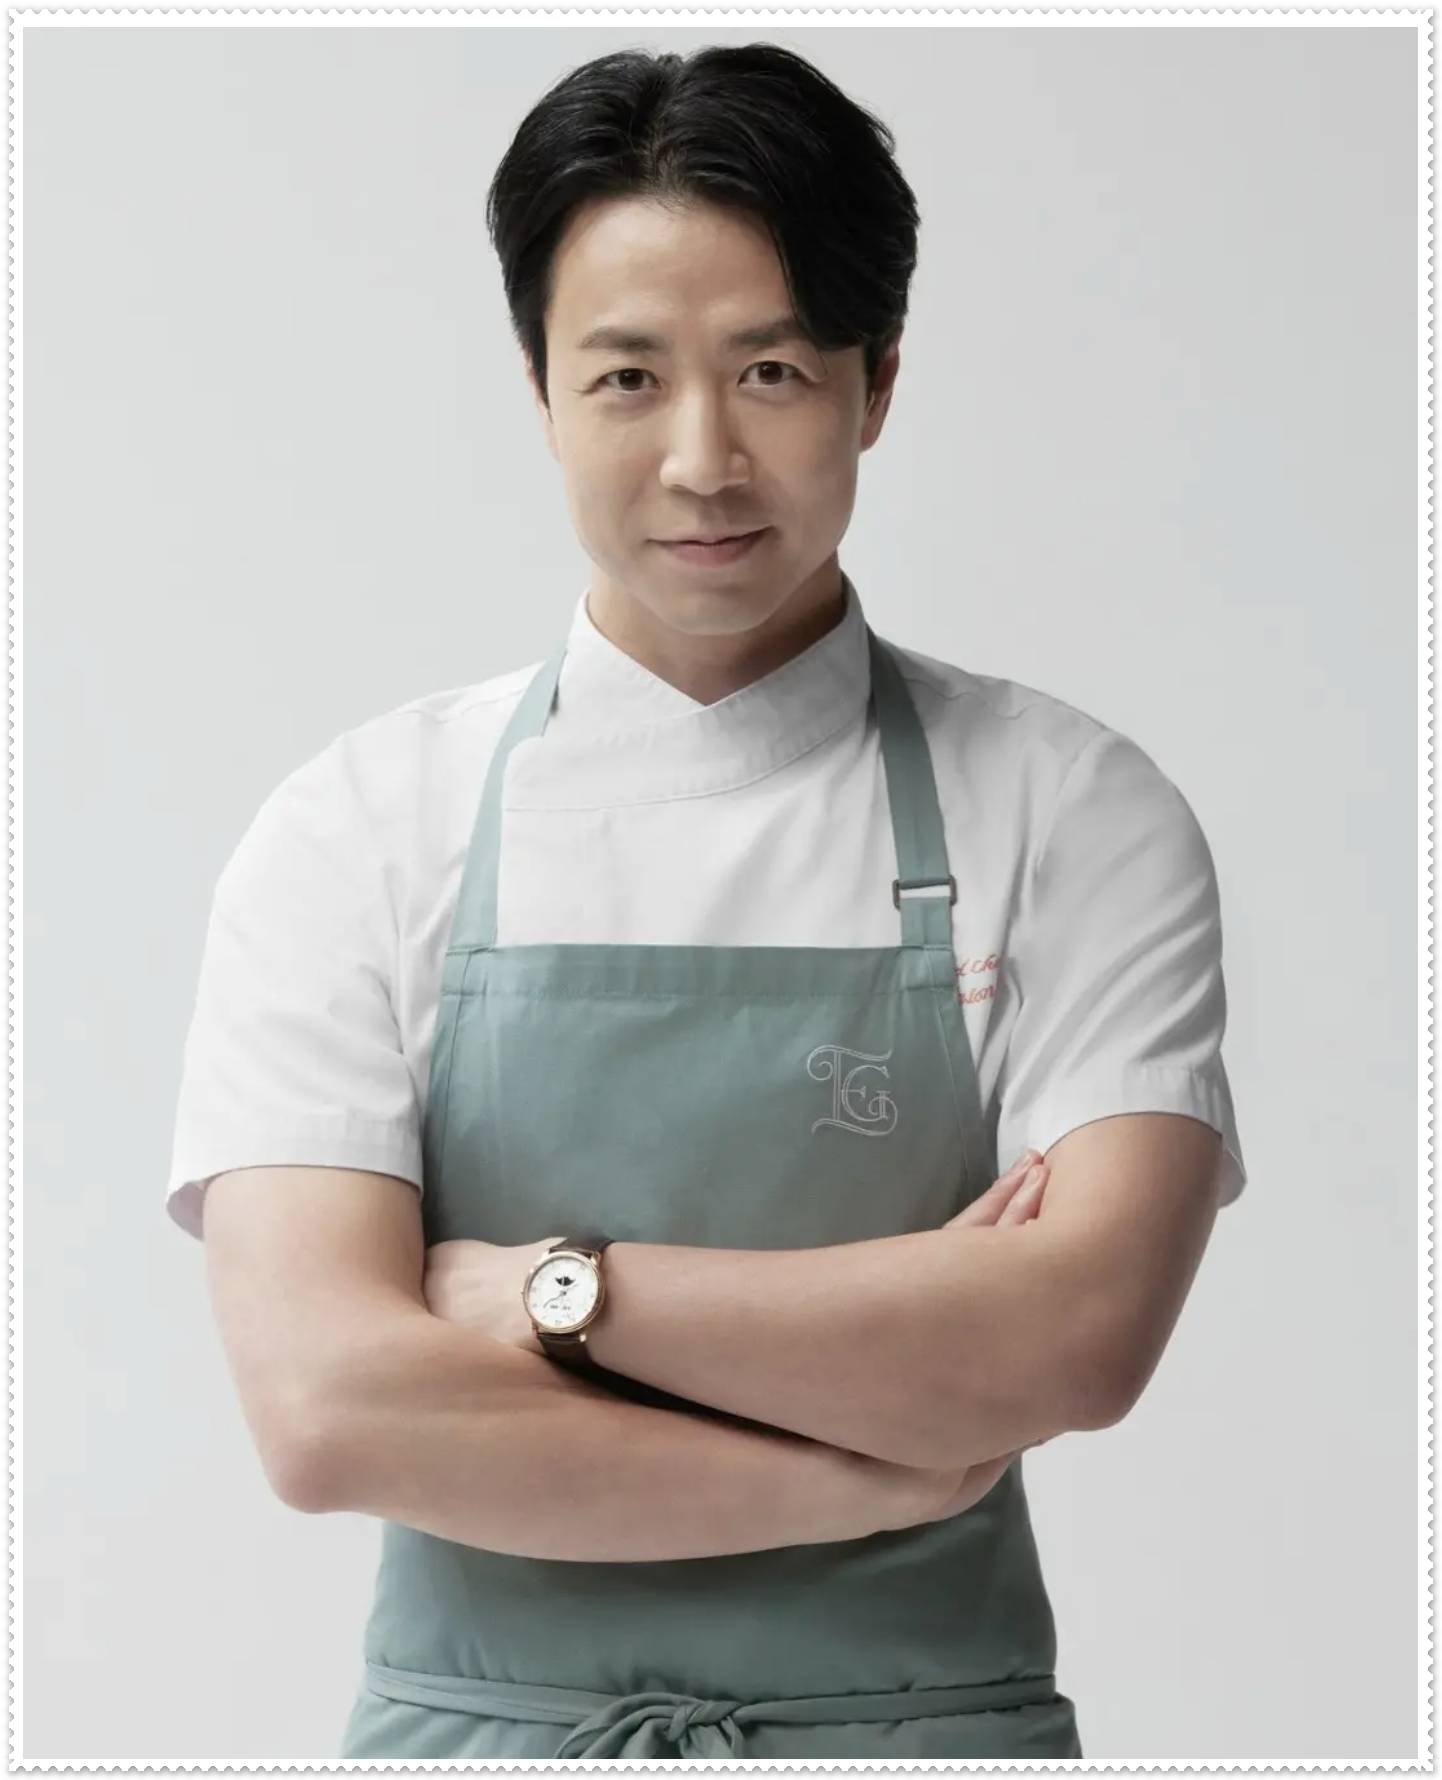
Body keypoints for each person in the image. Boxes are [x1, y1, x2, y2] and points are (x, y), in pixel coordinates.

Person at [166, 42, 1247, 1761]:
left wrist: (552, 1294)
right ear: (538, 391)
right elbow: (329, 1406)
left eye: (769, 371)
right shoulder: (359, 827)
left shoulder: (1069, 807)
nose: (700, 460)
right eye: (624, 377)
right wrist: (863, 1474)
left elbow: (1075, 1335)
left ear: (875, 383)